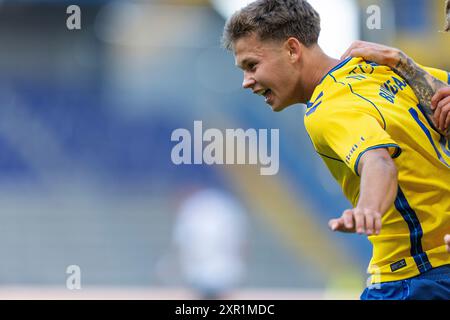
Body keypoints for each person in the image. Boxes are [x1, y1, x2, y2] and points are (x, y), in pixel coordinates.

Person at [222, 0, 450, 300]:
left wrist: (368, 208)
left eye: (252, 65)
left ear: (292, 49)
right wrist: (403, 61)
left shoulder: (326, 109)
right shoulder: (384, 68)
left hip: (412, 279)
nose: (246, 82)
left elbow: (378, 162)